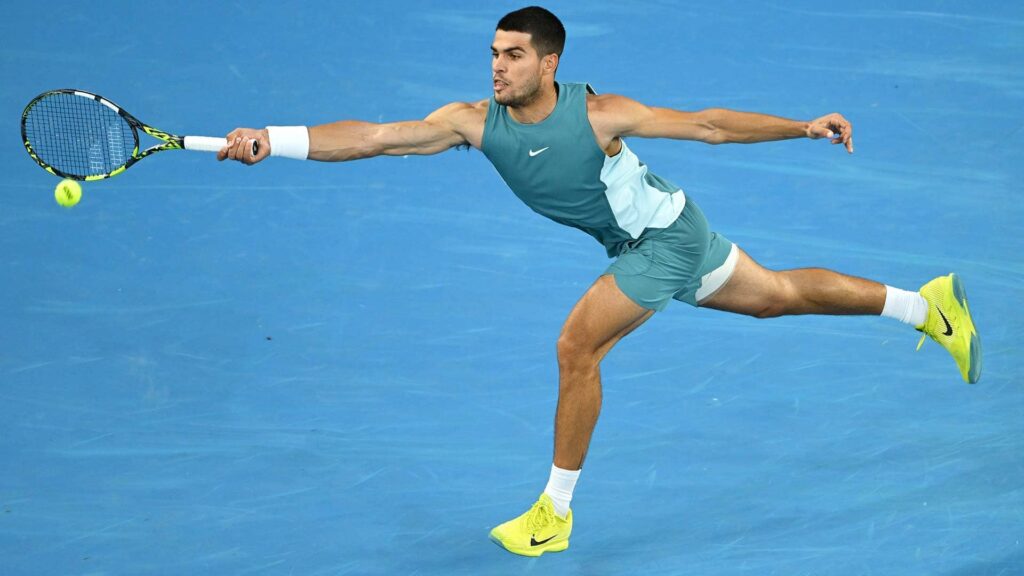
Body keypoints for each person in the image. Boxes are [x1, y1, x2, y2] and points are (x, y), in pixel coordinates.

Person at [218, 5, 981, 557]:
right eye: (492, 53)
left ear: (548, 64)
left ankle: (554, 512)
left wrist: (803, 125)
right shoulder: (473, 121)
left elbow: (709, 124)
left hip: (661, 242)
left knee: (575, 347)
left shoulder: (600, 114)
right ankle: (927, 306)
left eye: (513, 55)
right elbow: (377, 139)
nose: (496, 66)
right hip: (667, 227)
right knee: (777, 298)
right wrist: (271, 139)